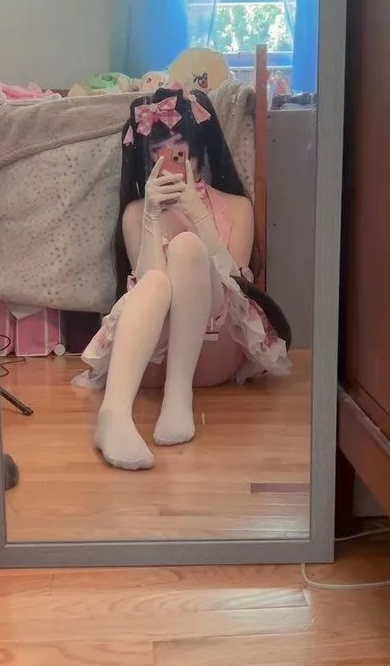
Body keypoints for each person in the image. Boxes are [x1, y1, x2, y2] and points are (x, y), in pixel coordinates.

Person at [74, 86, 292, 471]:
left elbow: (235, 283)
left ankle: (179, 398)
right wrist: (151, 215)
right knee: (156, 282)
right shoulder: (136, 212)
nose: (171, 156)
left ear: (198, 146)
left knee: (188, 248)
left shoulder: (236, 207)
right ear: (146, 156)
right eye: (159, 149)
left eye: (179, 145)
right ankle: (114, 413)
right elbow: (144, 284)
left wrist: (198, 213)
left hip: (217, 351)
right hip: (151, 361)